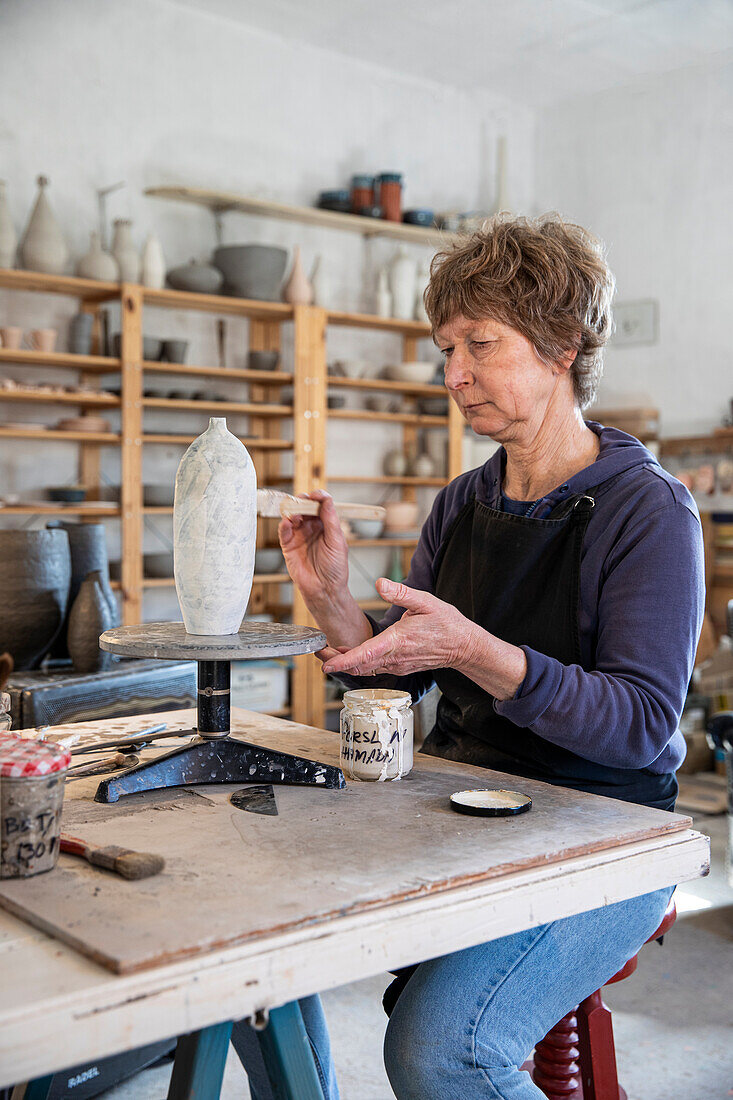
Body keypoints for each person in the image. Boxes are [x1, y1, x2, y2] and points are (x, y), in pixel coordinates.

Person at [274, 215, 705, 1100]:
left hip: (609, 831)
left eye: (480, 344)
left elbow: (637, 728)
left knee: (440, 1054)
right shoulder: (461, 501)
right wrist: (330, 599)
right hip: (468, 802)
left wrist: (483, 652)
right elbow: (409, 669)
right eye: (445, 349)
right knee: (270, 943)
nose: (454, 376)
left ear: (561, 346)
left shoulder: (648, 511)